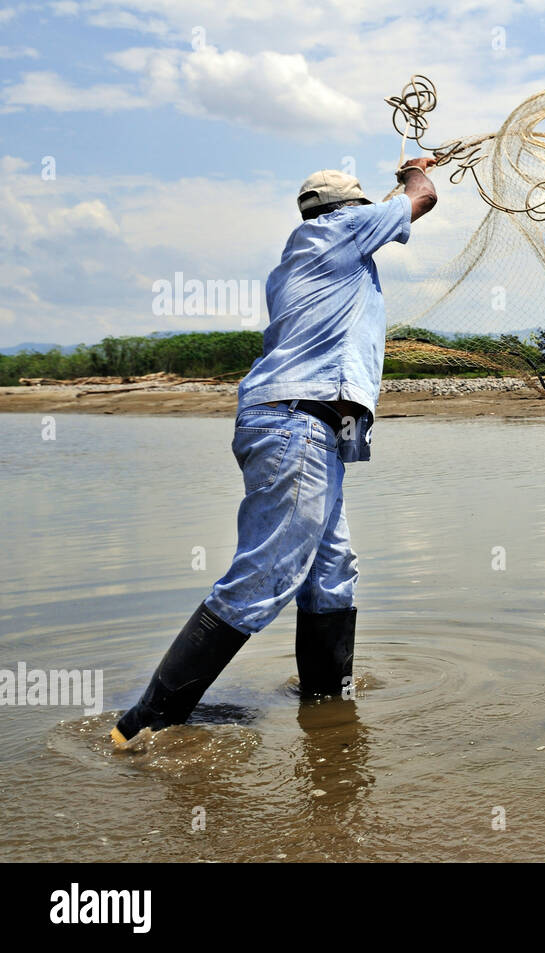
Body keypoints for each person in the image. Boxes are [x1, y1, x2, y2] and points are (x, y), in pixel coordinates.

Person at [112, 159, 438, 746]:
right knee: (266, 572)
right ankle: (144, 725)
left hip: (312, 429)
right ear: (347, 213)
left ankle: (326, 710)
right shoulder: (336, 234)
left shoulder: (313, 248)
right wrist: (417, 169)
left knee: (332, 574)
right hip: (297, 426)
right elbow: (422, 198)